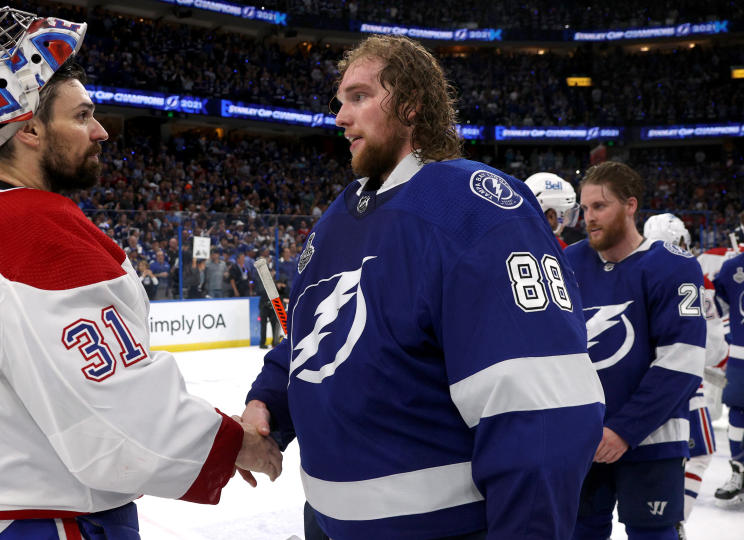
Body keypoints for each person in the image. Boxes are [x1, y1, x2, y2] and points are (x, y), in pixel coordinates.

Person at [0, 7, 280, 538]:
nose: (101, 131)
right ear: (31, 129)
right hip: (36, 515)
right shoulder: (28, 226)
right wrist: (232, 443)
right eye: (81, 116)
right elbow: (109, 399)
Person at [242, 34, 605, 539]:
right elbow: (310, 340)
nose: (340, 117)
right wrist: (267, 404)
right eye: (340, 100)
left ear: (411, 106)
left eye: (361, 96)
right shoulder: (337, 220)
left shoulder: (475, 208)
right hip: (326, 524)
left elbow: (541, 410)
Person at [565, 163, 705, 539]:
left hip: (652, 441)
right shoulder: (569, 262)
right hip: (583, 441)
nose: (588, 217)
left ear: (630, 205)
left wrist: (623, 430)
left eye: (600, 206)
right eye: (585, 208)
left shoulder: (672, 267)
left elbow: (683, 361)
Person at [643, 213, 725, 536]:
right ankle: (674, 522)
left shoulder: (632, 269)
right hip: (683, 379)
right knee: (699, 454)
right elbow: (715, 346)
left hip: (640, 387)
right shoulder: (694, 277)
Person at [710, 243, 744, 508]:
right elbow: (716, 305)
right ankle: (738, 472)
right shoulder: (733, 267)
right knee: (738, 413)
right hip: (741, 357)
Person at [525, 172, 579, 249]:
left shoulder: (509, 239)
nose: (567, 220)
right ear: (551, 216)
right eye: (567, 214)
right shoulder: (563, 251)